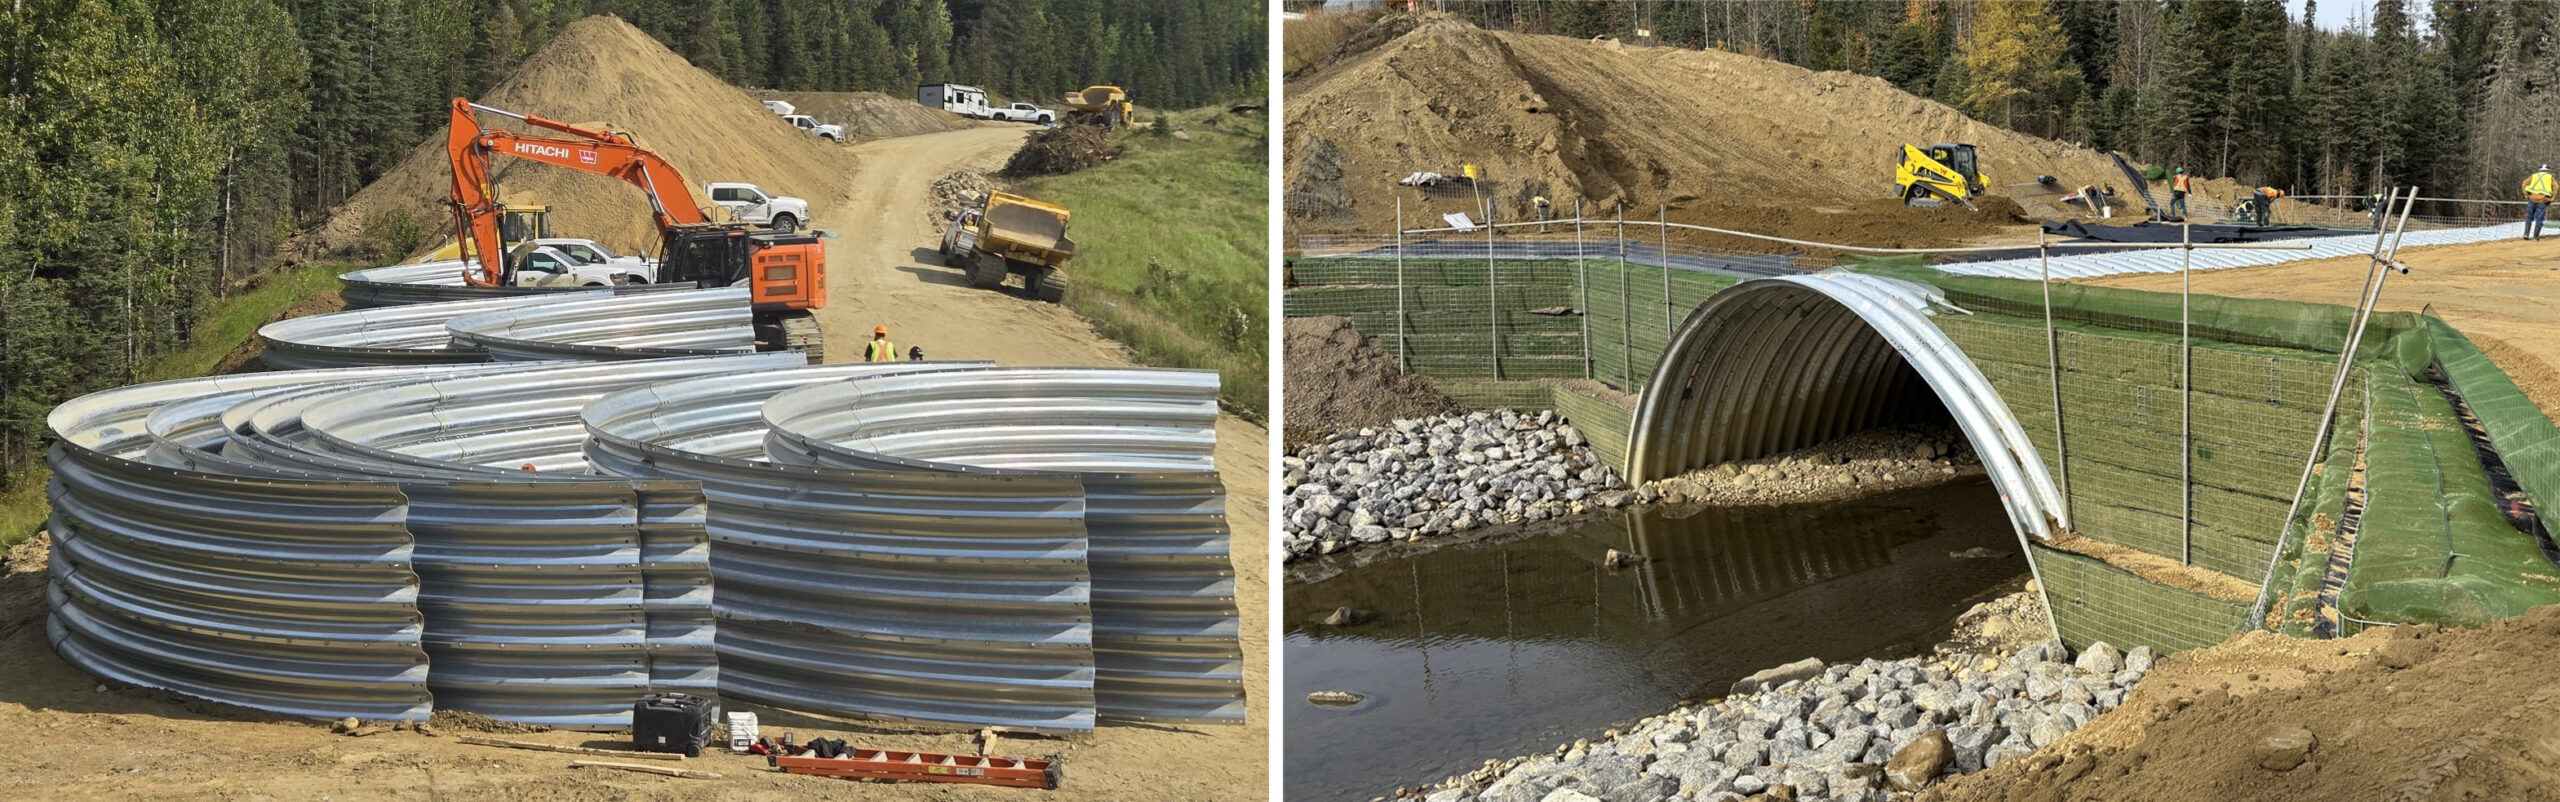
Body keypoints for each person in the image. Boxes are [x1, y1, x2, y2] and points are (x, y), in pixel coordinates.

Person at [2524, 164, 2554, 241]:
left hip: (2532, 198)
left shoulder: (2533, 176)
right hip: (2543, 200)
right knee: (2539, 218)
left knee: (2529, 217)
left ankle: (2526, 234)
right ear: (2548, 171)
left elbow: (2524, 184)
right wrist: (2552, 198)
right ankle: (2535, 236)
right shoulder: (2550, 177)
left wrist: (2526, 194)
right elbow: (2556, 187)